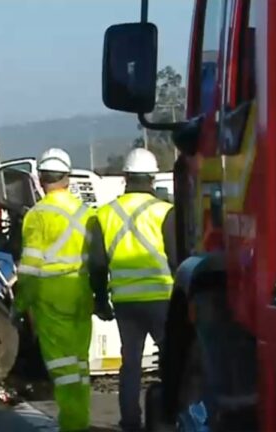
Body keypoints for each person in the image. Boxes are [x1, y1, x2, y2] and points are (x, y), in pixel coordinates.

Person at [14, 148, 112, 432]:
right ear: (67, 179)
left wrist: (19, 306)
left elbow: (30, 269)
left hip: (50, 298)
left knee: (63, 368)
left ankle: (72, 424)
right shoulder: (87, 214)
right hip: (80, 293)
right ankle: (78, 420)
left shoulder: (37, 216)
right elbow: (96, 262)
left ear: (41, 179)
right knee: (79, 364)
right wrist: (100, 296)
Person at [95, 148, 177, 432]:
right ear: (152, 179)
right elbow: (177, 258)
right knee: (171, 360)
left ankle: (130, 422)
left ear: (125, 178)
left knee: (130, 363)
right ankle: (171, 416)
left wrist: (100, 299)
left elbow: (96, 262)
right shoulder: (165, 211)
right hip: (162, 299)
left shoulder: (104, 214)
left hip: (125, 301)